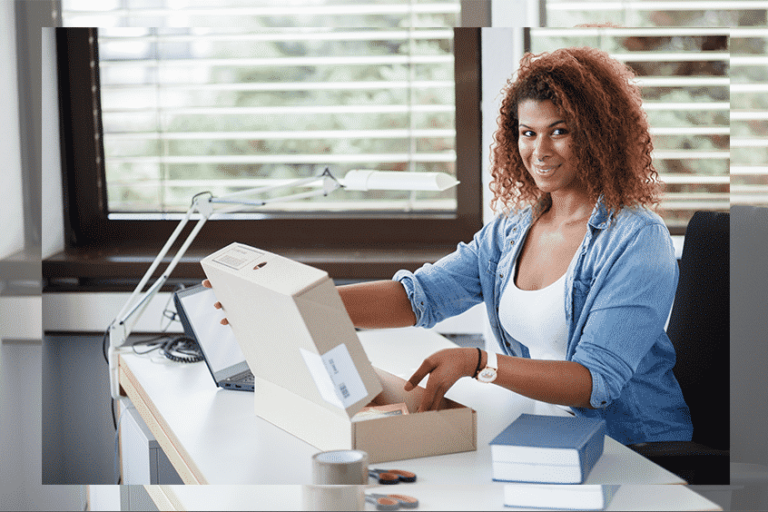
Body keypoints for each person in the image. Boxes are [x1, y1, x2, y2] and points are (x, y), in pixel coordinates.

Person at [206, 46, 693, 446]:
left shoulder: (636, 239)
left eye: (559, 132)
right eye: (527, 133)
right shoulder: (511, 231)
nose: (539, 151)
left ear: (600, 137)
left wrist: (480, 364)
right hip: (540, 434)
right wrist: (300, 303)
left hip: (633, 449)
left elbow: (595, 382)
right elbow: (421, 296)